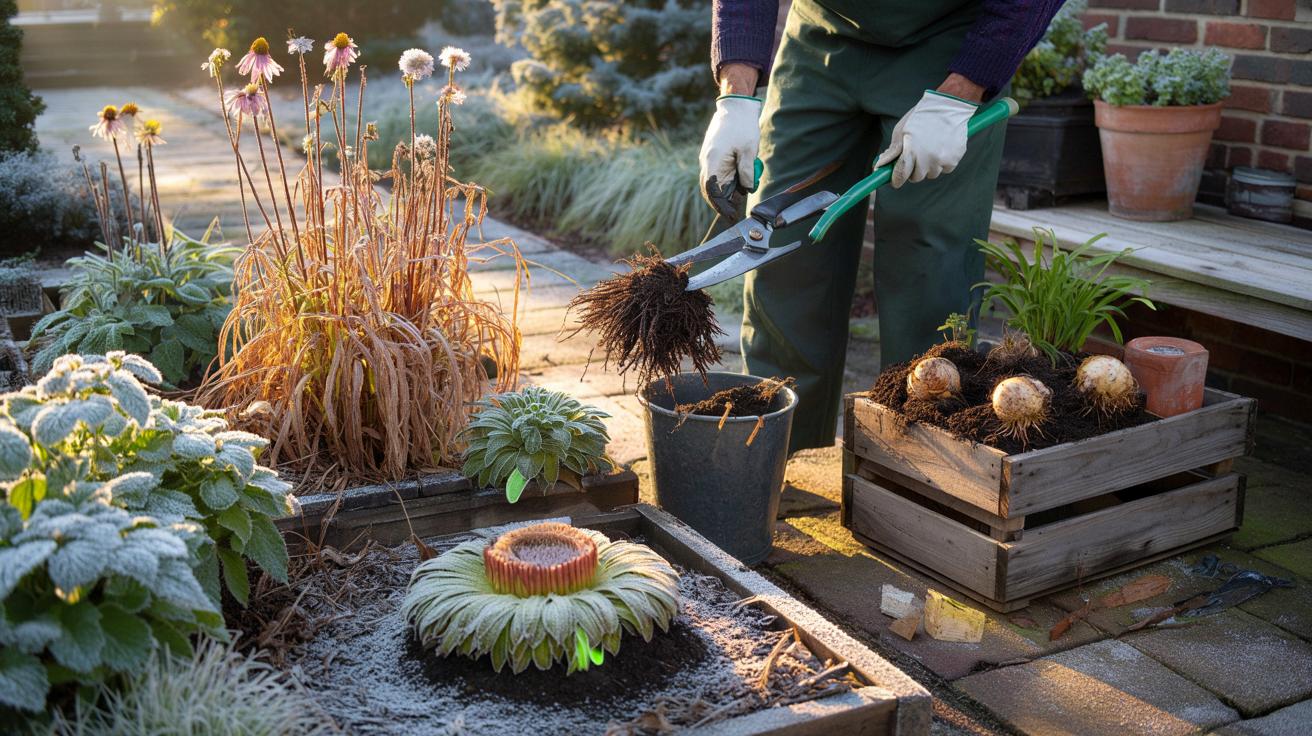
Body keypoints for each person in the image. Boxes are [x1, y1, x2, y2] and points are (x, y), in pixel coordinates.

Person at [700, 0, 1065, 453]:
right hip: (822, 32)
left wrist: (961, 93)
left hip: (950, 39)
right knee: (782, 244)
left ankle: (914, 466)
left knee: (928, 263)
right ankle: (772, 451)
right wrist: (735, 97)